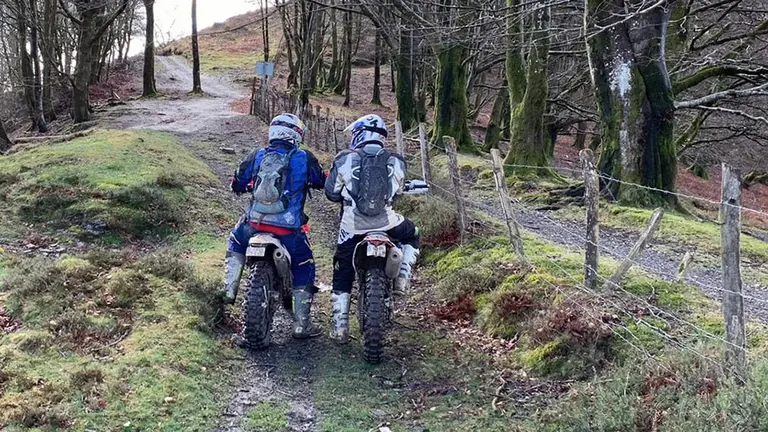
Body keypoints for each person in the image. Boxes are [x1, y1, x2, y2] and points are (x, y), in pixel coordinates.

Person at [224, 113, 326, 339]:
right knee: (304, 264)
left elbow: (238, 183)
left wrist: (238, 186)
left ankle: (228, 289)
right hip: (288, 231)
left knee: (236, 241)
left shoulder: (257, 155)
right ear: (296, 135)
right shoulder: (304, 157)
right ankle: (301, 324)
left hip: (254, 226)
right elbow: (321, 181)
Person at [324, 114, 420, 344]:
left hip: (352, 227)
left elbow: (331, 193)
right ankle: (402, 277)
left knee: (343, 269)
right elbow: (397, 192)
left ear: (359, 134)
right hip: (387, 223)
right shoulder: (396, 160)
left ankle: (339, 327)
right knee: (413, 233)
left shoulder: (345, 158)